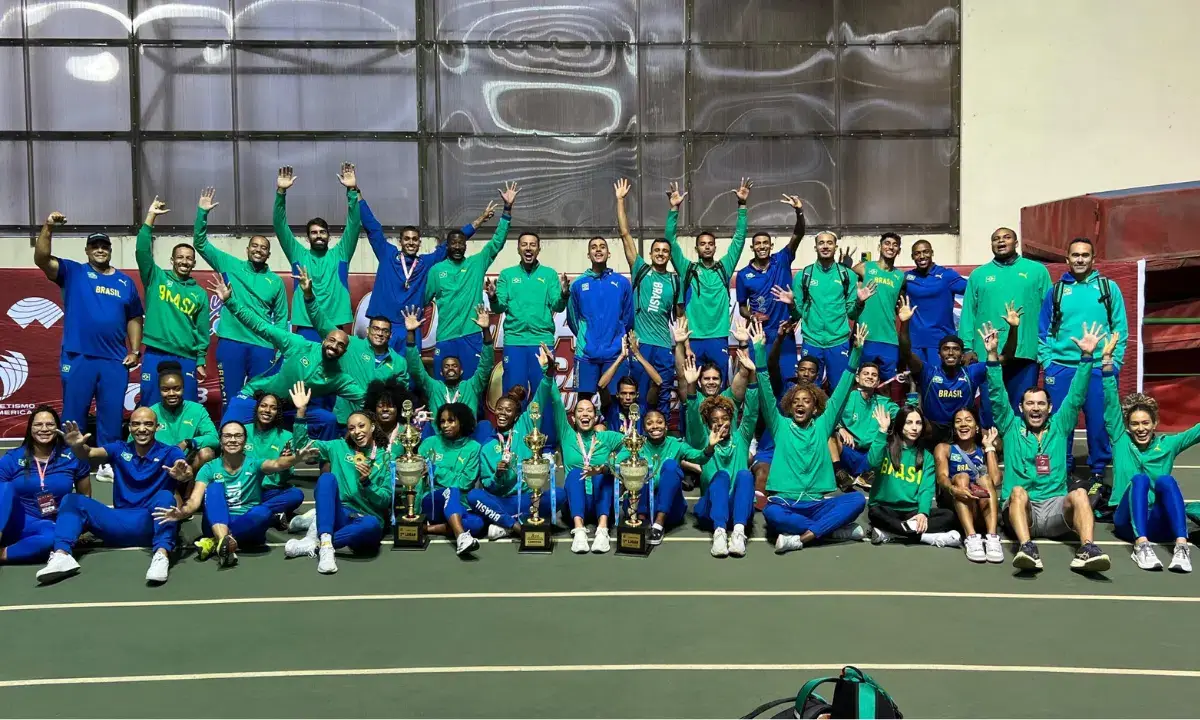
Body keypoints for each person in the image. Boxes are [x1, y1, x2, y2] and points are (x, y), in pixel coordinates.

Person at [982, 319, 1109, 572]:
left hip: (1054, 508)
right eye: (1030, 404)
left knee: (1081, 493)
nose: (1036, 408)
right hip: (1023, 511)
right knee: (1017, 491)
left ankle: (1087, 549)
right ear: (1021, 408)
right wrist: (993, 356)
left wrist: (1086, 357)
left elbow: (1076, 397)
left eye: (1041, 404)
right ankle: (1027, 548)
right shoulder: (1009, 426)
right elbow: (997, 394)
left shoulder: (1060, 426)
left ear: (1050, 408)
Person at [35, 211, 143, 484]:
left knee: (111, 415)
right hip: (79, 355)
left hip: (114, 360)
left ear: (109, 251)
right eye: (94, 246)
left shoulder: (124, 282)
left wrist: (134, 350)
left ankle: (106, 462)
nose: (100, 250)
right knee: (74, 414)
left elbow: (134, 317)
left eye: (104, 246)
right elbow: (42, 259)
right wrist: (48, 227)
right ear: (87, 251)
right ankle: (69, 463)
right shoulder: (74, 271)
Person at [35, 408, 191, 585]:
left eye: (148, 424)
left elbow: (184, 468)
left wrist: (184, 475)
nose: (142, 429)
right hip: (117, 523)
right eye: (136, 424)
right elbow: (90, 454)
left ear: (157, 427)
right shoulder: (119, 448)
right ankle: (62, 555)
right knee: (71, 500)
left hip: (150, 523)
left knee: (165, 496)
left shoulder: (170, 452)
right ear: (130, 427)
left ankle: (161, 556)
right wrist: (78, 446)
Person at [757, 322, 871, 553]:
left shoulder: (823, 425)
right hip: (786, 504)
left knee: (857, 501)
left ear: (815, 407)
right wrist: (759, 351)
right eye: (796, 401)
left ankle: (802, 538)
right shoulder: (780, 425)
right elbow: (766, 393)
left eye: (806, 401)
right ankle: (833, 531)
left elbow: (840, 393)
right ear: (789, 405)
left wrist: (856, 351)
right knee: (771, 513)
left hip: (818, 504)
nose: (800, 404)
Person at [210, 276, 361, 440]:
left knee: (328, 420)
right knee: (228, 431)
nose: (334, 346)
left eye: (340, 345)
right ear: (324, 340)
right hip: (256, 400)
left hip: (289, 410)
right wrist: (230, 301)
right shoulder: (297, 344)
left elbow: (365, 399)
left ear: (344, 352)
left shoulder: (339, 378)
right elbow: (260, 325)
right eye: (331, 340)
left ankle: (325, 461)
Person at [154, 420, 310, 567]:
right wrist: (182, 512)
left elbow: (277, 463)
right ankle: (223, 540)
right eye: (227, 436)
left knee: (264, 512)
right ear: (221, 441)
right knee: (214, 488)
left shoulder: (254, 464)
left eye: (238, 436)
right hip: (215, 523)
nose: (233, 440)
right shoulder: (209, 468)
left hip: (249, 526)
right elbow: (195, 501)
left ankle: (216, 543)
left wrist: (297, 458)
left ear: (245, 441)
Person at [1100, 335, 1194, 572]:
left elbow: (1197, 431)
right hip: (1126, 521)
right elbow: (1111, 402)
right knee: (1140, 480)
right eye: (1134, 424)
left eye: (1145, 423)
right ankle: (1141, 546)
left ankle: (1182, 547)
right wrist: (1107, 361)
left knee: (1166, 480)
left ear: (1154, 423)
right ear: (1127, 427)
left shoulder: (1169, 444)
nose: (1140, 428)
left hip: (1159, 521)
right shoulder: (1120, 441)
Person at [1038, 237, 1128, 484]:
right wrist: (1049, 363)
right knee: (1059, 422)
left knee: (1099, 421)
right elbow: (1043, 331)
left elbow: (1120, 328)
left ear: (1093, 259)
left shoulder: (1108, 288)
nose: (1080, 259)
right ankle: (1061, 468)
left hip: (1099, 367)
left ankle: (1098, 470)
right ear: (1067, 259)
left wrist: (1114, 363)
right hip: (1062, 368)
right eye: (1075, 255)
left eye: (1085, 255)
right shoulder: (1055, 291)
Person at [193, 187, 288, 411]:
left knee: (261, 402)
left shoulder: (275, 281)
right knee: (231, 401)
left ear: (269, 254)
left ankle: (256, 444)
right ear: (247, 249)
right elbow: (200, 244)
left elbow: (282, 318)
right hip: (231, 343)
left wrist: (280, 349)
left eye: (264, 248)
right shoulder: (230, 265)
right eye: (255, 246)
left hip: (263, 347)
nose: (259, 250)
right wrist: (202, 213)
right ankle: (229, 444)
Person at [362, 197, 496, 353]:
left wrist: (480, 220)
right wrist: (354, 192)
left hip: (411, 326)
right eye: (406, 239)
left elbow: (453, 242)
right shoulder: (387, 254)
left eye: (414, 239)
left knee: (410, 372)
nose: (411, 243)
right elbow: (372, 227)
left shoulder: (426, 263)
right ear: (400, 242)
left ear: (420, 243)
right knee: (378, 371)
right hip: (383, 326)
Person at [287, 382, 392, 574]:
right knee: (327, 480)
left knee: (371, 525)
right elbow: (302, 446)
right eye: (352, 428)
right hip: (341, 513)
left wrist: (367, 482)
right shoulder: (337, 447)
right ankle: (326, 545)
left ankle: (315, 543)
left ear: (373, 427)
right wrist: (301, 412)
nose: (357, 431)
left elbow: (385, 500)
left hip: (366, 518)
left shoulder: (384, 457)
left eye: (361, 426)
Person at [466, 349, 564, 541]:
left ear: (517, 415)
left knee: (559, 495)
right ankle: (515, 525)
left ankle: (503, 524)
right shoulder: (487, 446)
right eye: (499, 409)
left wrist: (549, 373)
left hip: (525, 498)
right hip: (499, 500)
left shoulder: (525, 426)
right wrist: (497, 475)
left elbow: (541, 395)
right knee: (474, 496)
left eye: (508, 410)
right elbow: (488, 484)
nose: (502, 413)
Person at [425, 182, 519, 379]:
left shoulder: (477, 263)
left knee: (473, 387)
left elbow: (496, 243)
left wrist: (507, 210)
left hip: (472, 336)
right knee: (444, 391)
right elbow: (421, 302)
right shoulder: (436, 271)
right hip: (446, 338)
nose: (458, 247)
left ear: (465, 246)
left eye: (461, 243)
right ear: (447, 246)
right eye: (454, 244)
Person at [297, 265, 408, 429]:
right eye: (376, 329)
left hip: (378, 426)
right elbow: (321, 321)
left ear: (390, 335)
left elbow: (400, 397)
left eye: (385, 331)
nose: (380, 334)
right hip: (345, 422)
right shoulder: (350, 345)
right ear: (368, 331)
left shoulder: (399, 362)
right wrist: (308, 295)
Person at [665, 179, 751, 384]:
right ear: (697, 249)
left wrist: (742, 206)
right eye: (702, 244)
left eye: (710, 244)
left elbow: (739, 238)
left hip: (718, 338)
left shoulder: (725, 267)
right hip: (693, 339)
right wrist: (674, 209)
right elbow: (670, 240)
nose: (706, 247)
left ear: (715, 248)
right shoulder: (688, 269)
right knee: (692, 388)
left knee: (718, 390)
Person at [960, 227, 1051, 411]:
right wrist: (968, 348)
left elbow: (1049, 313)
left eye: (1006, 237)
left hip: (1025, 353)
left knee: (1023, 410)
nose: (1001, 241)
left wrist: (1046, 349)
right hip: (988, 354)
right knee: (991, 409)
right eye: (996, 239)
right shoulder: (979, 275)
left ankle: (1021, 441)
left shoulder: (1037, 271)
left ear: (1016, 243)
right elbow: (968, 313)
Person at [614, 178, 681, 420]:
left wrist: (685, 346)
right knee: (638, 397)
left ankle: (659, 444)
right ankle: (636, 443)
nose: (661, 254)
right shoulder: (640, 269)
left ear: (669, 255)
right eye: (657, 251)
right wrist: (620, 201)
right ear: (650, 254)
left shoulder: (675, 280)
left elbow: (680, 318)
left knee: (662, 394)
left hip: (664, 346)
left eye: (665, 251)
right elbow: (625, 234)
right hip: (640, 345)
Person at [898, 295, 1006, 443]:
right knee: (924, 430)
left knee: (996, 443)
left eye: (955, 349)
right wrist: (905, 324)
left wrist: (1013, 329)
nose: (950, 352)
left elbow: (1006, 358)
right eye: (946, 349)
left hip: (962, 426)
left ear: (962, 354)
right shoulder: (928, 372)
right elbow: (906, 352)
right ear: (939, 354)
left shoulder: (971, 373)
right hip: (934, 428)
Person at [273, 163, 362, 341]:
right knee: (307, 370)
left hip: (334, 325)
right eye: (314, 233)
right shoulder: (298, 255)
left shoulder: (341, 254)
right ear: (307, 238)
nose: (318, 235)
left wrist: (352, 190)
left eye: (322, 232)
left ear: (329, 236)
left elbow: (354, 224)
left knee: (336, 370)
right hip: (306, 325)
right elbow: (280, 226)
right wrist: (281, 193)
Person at [546, 361, 627, 554]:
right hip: (575, 503)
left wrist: (608, 465)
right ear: (573, 418)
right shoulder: (567, 435)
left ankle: (602, 529)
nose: (585, 414)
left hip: (603, 501)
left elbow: (632, 444)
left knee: (603, 475)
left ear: (596, 417)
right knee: (574, 474)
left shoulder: (606, 437)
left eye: (589, 411)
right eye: (580, 411)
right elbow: (557, 402)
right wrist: (548, 372)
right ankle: (579, 530)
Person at [135, 196, 210, 405]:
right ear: (172, 260)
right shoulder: (155, 277)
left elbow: (202, 331)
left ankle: (185, 439)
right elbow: (142, 250)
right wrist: (150, 218)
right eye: (180, 257)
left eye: (188, 258)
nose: (184, 261)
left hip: (185, 356)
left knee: (187, 406)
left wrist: (201, 359)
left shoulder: (199, 293)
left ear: (194, 263)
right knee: (150, 404)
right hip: (155, 352)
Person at [614, 405, 722, 548]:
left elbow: (699, 458)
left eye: (659, 422)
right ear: (644, 428)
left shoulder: (676, 445)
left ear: (666, 426)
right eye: (649, 423)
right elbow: (616, 462)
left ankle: (658, 525)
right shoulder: (636, 443)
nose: (655, 426)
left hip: (671, 508)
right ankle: (641, 523)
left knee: (671, 466)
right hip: (640, 504)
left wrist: (710, 447)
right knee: (641, 467)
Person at [0, 406, 91, 565]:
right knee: (5, 487)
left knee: (52, 538)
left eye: (49, 424)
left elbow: (85, 497)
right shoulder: (12, 458)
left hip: (45, 525)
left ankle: (3, 554)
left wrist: (76, 526)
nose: (44, 429)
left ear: (58, 428)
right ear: (30, 428)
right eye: (38, 425)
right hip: (12, 521)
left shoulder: (73, 457)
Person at [784, 231, 873, 388]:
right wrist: (791, 304)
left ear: (835, 247)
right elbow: (797, 315)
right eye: (821, 243)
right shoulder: (803, 275)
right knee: (808, 390)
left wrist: (859, 302)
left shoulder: (848, 275)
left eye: (829, 243)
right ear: (816, 247)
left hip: (838, 342)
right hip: (811, 342)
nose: (825, 246)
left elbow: (852, 314)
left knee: (840, 391)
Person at [864, 404, 962, 548]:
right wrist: (882, 431)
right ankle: (926, 537)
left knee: (949, 516)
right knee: (874, 513)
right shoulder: (885, 446)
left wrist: (923, 513)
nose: (914, 428)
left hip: (912, 512)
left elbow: (926, 489)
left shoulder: (926, 456)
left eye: (918, 423)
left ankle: (892, 534)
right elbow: (872, 462)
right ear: (899, 424)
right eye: (909, 423)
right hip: (885, 509)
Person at [487, 230, 570, 399]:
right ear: (518, 249)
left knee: (544, 393)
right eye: (524, 244)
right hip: (514, 342)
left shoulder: (549, 274)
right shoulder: (507, 275)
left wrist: (563, 295)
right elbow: (499, 307)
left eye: (532, 245)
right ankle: (515, 427)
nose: (528, 248)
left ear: (539, 249)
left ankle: (543, 427)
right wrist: (493, 297)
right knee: (513, 394)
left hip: (542, 343)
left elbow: (558, 306)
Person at [736, 194, 806, 387]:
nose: (762, 246)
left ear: (771, 245)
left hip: (784, 334)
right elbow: (742, 307)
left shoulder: (781, 260)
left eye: (765, 243)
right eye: (758, 243)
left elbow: (799, 234)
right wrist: (751, 316)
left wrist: (799, 211)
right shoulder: (743, 274)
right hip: (759, 335)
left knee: (786, 384)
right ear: (752, 247)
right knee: (759, 383)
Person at [403, 304, 496, 443]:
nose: (450, 368)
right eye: (446, 366)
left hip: (467, 441)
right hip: (440, 443)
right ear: (441, 372)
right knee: (426, 428)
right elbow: (416, 368)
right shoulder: (434, 387)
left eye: (454, 366)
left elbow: (486, 364)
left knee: (485, 426)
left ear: (461, 371)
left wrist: (485, 330)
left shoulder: (472, 385)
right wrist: (411, 334)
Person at [693, 384, 757, 557]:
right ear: (707, 423)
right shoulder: (703, 440)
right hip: (711, 510)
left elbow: (752, 412)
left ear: (732, 419)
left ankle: (738, 533)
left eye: (725, 418)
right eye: (715, 420)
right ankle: (719, 534)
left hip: (738, 510)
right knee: (721, 476)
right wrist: (691, 387)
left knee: (745, 475)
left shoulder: (741, 437)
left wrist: (752, 376)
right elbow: (692, 417)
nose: (721, 423)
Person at [567, 236, 634, 396]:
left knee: (615, 403)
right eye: (594, 247)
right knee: (584, 403)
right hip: (586, 355)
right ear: (588, 254)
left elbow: (628, 318)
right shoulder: (577, 284)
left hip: (615, 354)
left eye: (602, 246)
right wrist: (587, 339)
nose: (598, 249)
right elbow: (572, 319)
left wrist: (617, 339)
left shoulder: (622, 283)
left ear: (608, 253)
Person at [934, 409, 1003, 562]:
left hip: (980, 508)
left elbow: (995, 480)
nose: (963, 424)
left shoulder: (983, 449)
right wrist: (954, 489)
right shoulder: (944, 448)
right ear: (953, 428)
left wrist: (989, 447)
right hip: (955, 505)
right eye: (958, 421)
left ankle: (992, 538)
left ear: (977, 427)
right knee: (961, 477)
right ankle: (971, 537)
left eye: (968, 420)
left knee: (985, 479)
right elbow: (941, 477)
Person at [419, 402, 486, 556]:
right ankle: (461, 537)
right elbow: (418, 477)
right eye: (442, 421)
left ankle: (427, 528)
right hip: (432, 501)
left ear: (461, 422)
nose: (445, 425)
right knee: (451, 490)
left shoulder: (473, 448)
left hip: (457, 505)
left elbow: (465, 482)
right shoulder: (429, 444)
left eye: (451, 421)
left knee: (477, 524)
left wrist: (434, 470)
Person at [141, 361, 220, 486]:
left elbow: (214, 438)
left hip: (188, 466)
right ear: (159, 390)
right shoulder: (150, 412)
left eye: (176, 389)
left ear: (183, 388)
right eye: (165, 390)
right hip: (161, 466)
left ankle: (191, 494)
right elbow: (134, 444)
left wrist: (188, 442)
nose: (171, 394)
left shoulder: (197, 410)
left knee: (206, 453)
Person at [851, 233, 907, 396]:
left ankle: (886, 420)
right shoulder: (865, 267)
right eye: (887, 243)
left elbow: (899, 306)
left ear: (899, 250)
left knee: (887, 388)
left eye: (894, 245)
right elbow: (844, 280)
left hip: (889, 339)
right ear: (880, 247)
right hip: (865, 336)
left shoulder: (900, 277)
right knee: (859, 385)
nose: (890, 247)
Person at [901, 240, 967, 371]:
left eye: (925, 252)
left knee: (938, 382)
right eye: (917, 253)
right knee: (916, 384)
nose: (921, 256)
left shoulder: (947, 275)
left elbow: (974, 291)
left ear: (932, 253)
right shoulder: (907, 277)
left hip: (940, 341)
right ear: (912, 257)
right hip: (914, 341)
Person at [832, 362, 898, 491]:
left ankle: (867, 475)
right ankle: (840, 473)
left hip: (870, 456)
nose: (870, 377)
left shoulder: (885, 403)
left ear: (878, 381)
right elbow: (827, 416)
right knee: (830, 436)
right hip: (847, 451)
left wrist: (912, 395)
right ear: (857, 378)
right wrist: (840, 428)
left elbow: (906, 417)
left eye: (874, 375)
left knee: (893, 437)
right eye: (866, 373)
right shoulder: (846, 397)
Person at [243, 392, 304, 530]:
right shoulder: (243, 431)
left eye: (273, 407)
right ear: (257, 408)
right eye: (263, 406)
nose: (267, 410)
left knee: (296, 495)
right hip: (246, 489)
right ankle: (272, 516)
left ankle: (256, 512)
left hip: (270, 492)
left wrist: (285, 464)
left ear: (278, 412)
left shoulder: (286, 437)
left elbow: (286, 476)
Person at [596, 334, 662, 431]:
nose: (627, 397)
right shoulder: (611, 408)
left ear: (637, 395)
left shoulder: (644, 408)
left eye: (631, 394)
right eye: (624, 393)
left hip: (640, 445)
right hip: (617, 446)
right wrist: (621, 357)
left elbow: (658, 382)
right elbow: (601, 386)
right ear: (617, 394)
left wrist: (637, 354)